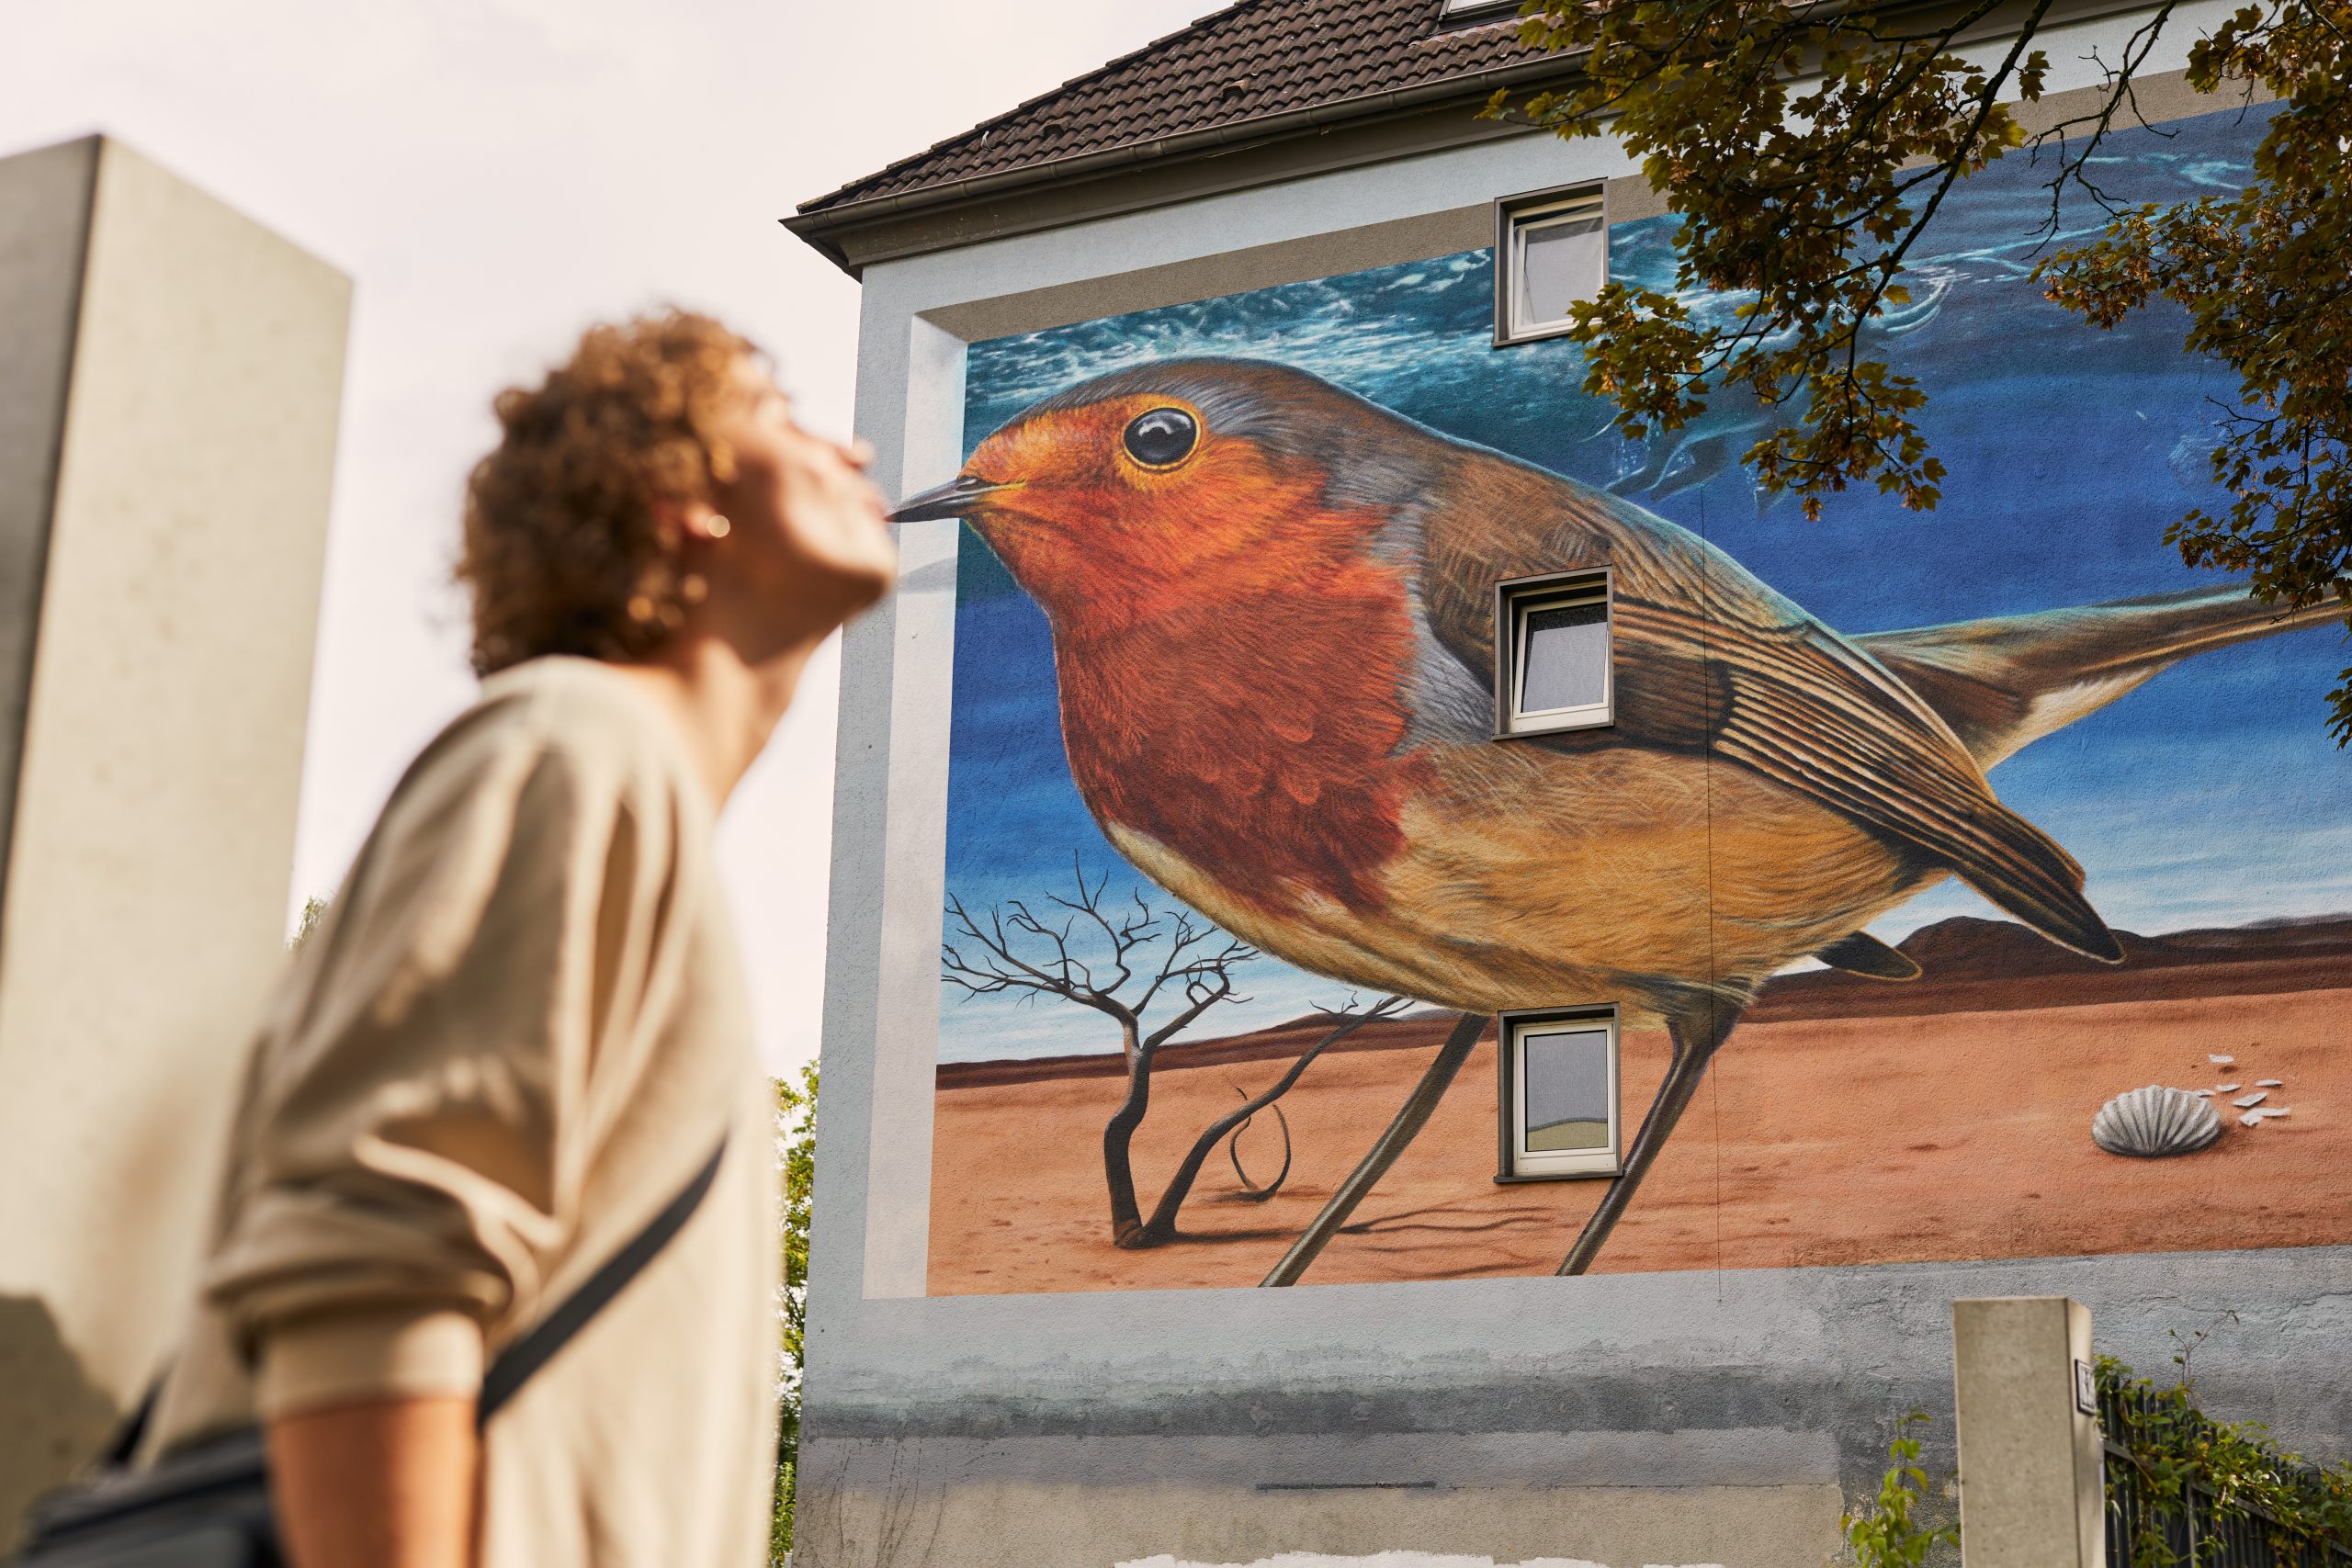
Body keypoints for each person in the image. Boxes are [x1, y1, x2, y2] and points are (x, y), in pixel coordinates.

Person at [138, 310, 896, 1567]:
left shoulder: (612, 786)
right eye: (783, 414)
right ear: (678, 495)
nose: (856, 451)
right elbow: (375, 1266)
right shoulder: (572, 750)